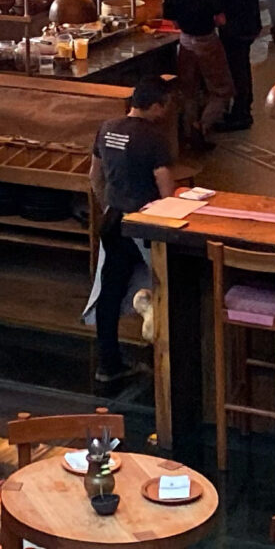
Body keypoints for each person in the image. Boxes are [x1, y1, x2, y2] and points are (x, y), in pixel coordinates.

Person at [89, 77, 178, 389]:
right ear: (154, 106)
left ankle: (108, 363)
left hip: (114, 220)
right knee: (166, 288)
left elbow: (94, 175)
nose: (166, 113)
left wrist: (108, 205)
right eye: (164, 106)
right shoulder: (154, 138)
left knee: (110, 293)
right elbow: (165, 189)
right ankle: (169, 366)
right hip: (145, 224)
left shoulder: (106, 128)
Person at [160, 0, 233, 135]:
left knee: (188, 92)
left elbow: (175, 24)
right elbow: (221, 20)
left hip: (185, 43)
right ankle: (203, 126)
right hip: (208, 42)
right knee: (221, 90)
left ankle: (188, 130)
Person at [208, 0, 262, 130]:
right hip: (250, 19)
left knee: (236, 68)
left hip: (235, 24)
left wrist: (216, 10)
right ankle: (244, 106)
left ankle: (241, 114)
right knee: (242, 65)